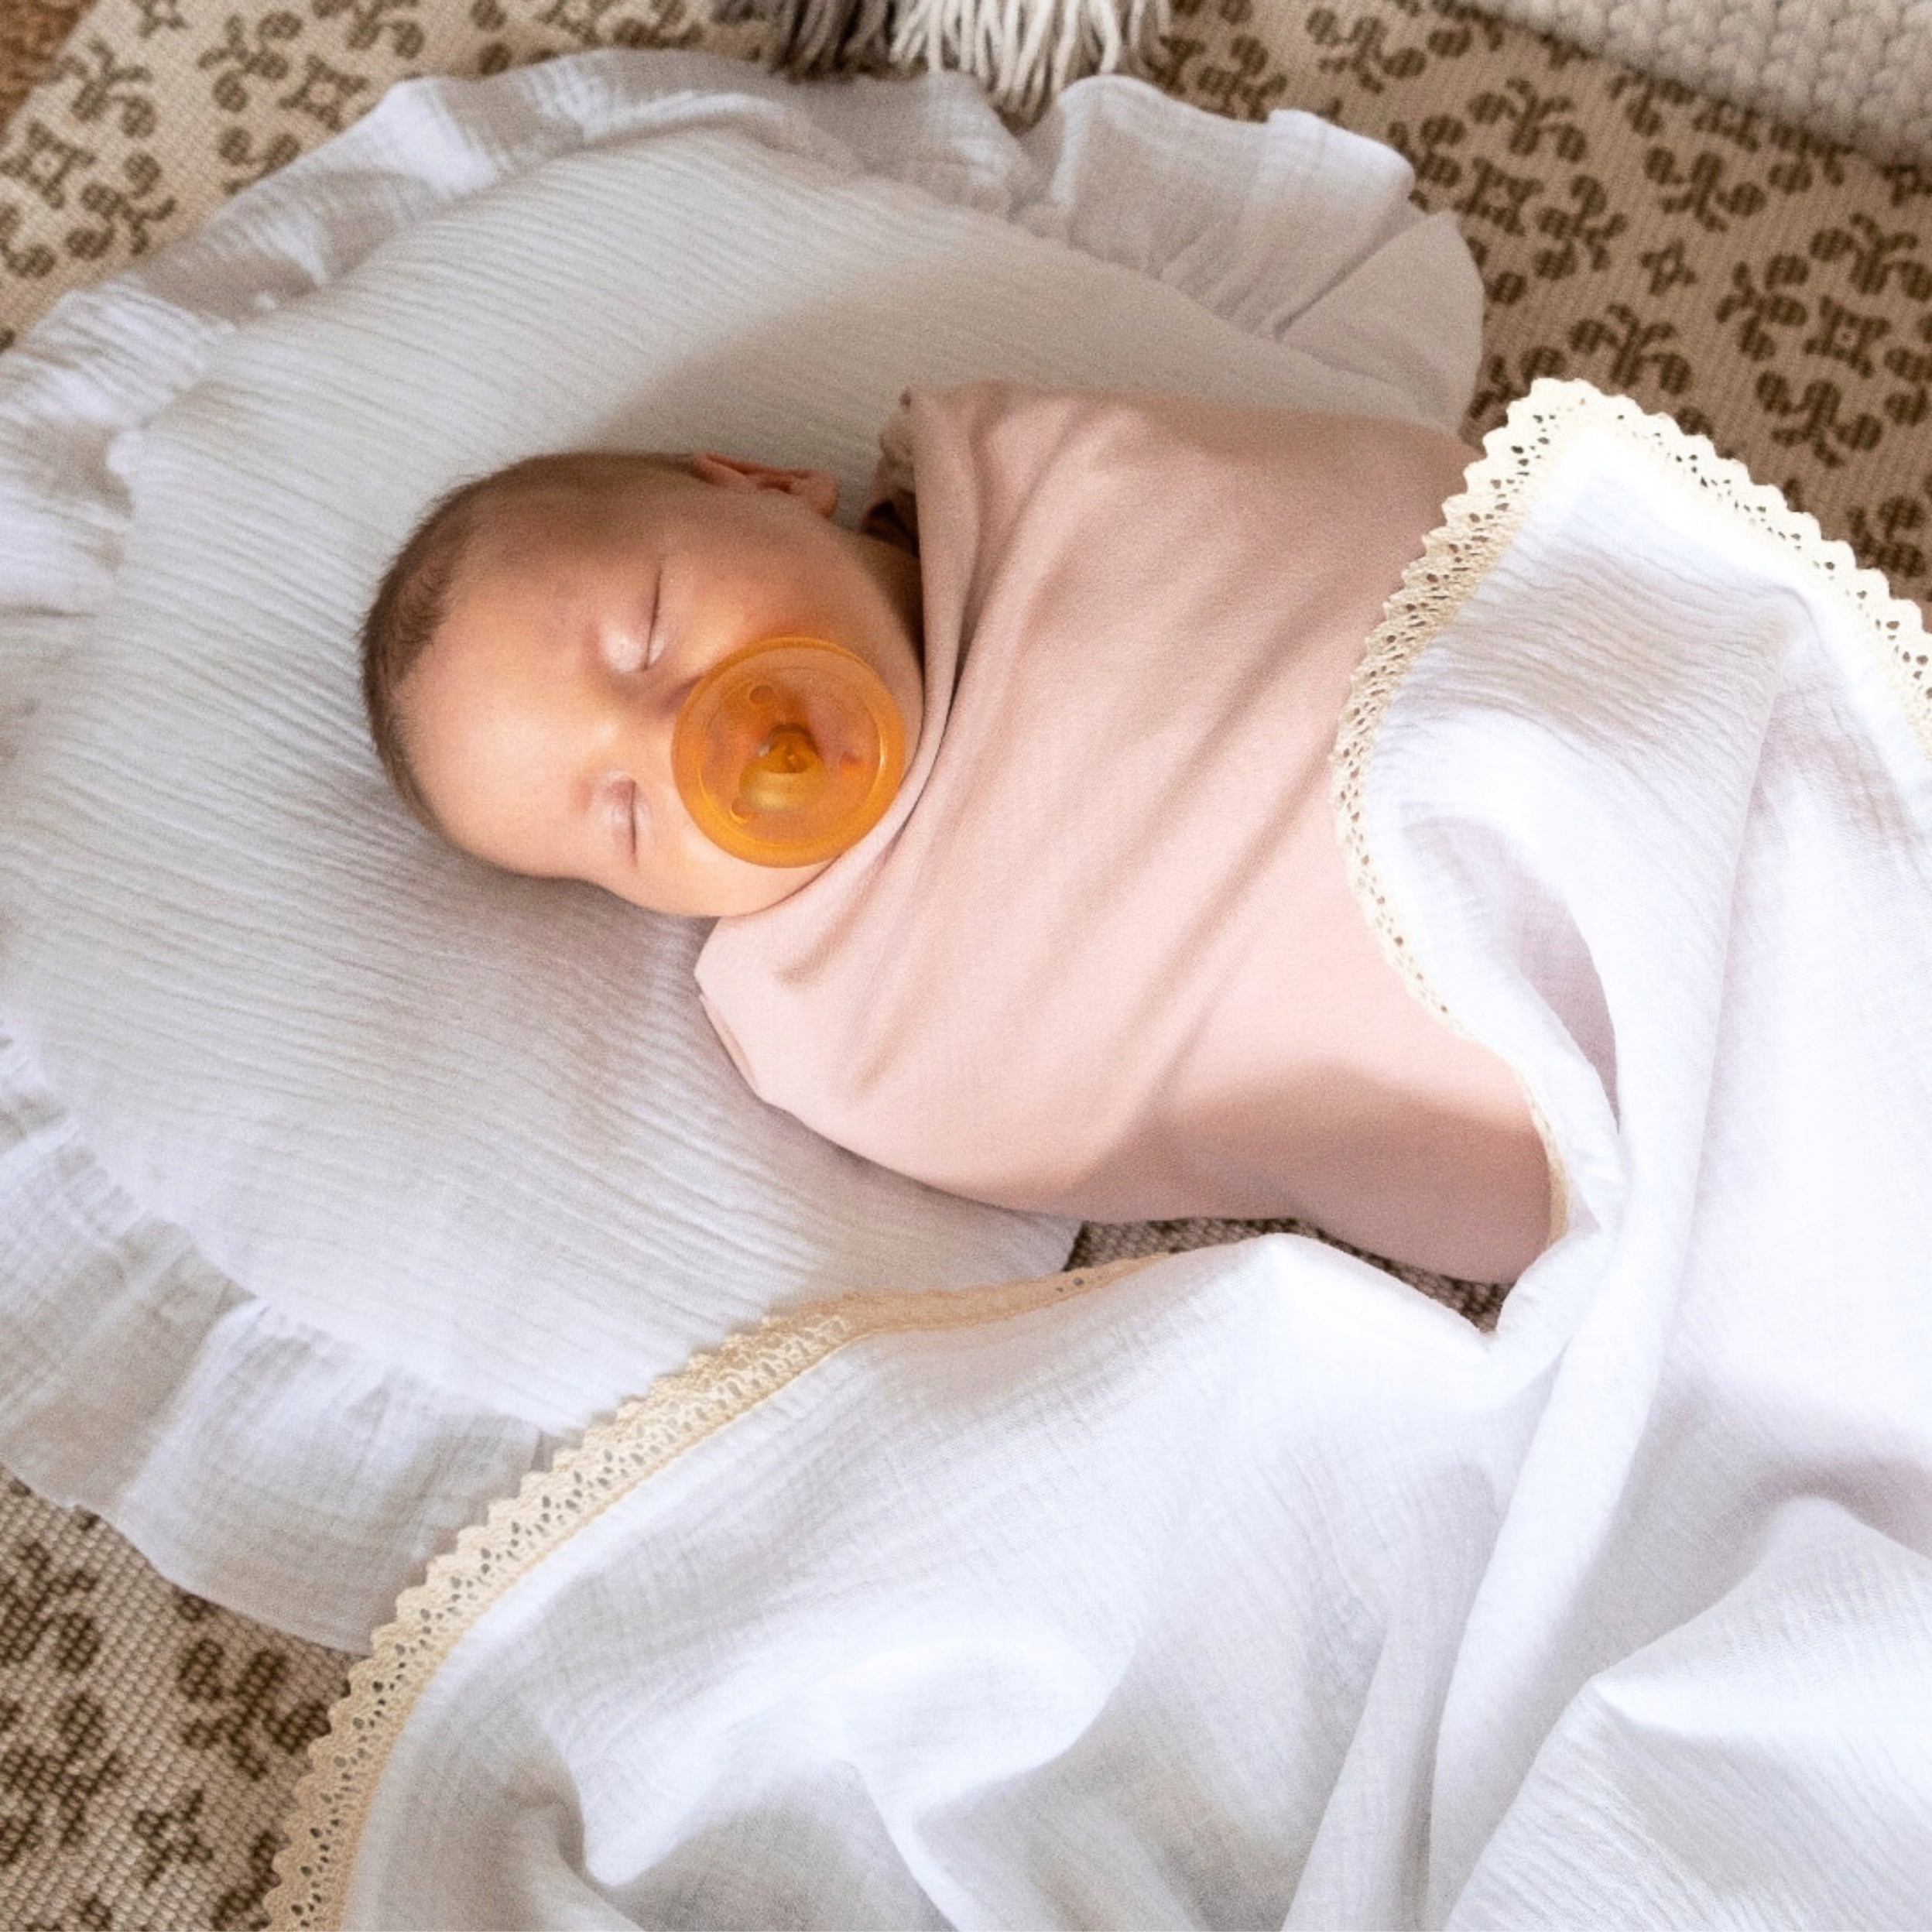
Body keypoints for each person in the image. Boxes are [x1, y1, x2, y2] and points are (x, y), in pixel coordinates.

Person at [362, 382, 1560, 1283]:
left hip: (1557, 708)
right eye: (624, 814)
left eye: (650, 632)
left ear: (764, 484)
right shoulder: (838, 1019)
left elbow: (1319, 510)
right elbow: (1086, 1115)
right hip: (1541, 1068)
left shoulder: (1037, 484)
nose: (679, 735)